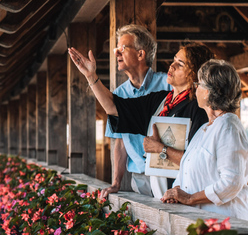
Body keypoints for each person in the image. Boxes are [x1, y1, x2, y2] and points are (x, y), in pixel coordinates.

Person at [69, 42, 214, 198]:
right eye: (174, 60)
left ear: (195, 73)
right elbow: (115, 107)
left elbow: (200, 163)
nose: (171, 66)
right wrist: (91, 77)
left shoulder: (200, 110)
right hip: (160, 195)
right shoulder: (160, 101)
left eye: (180, 64)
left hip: (187, 197)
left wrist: (160, 149)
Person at [70, 24, 170, 196]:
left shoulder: (167, 84)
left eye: (122, 48)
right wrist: (116, 182)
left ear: (140, 54)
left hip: (170, 172)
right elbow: (120, 143)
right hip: (140, 176)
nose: (116, 53)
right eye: (117, 48)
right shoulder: (118, 95)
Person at [160, 60, 248, 220]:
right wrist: (175, 192)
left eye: (199, 84)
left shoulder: (228, 126)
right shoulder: (204, 129)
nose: (195, 87)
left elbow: (231, 182)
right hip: (202, 223)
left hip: (225, 224)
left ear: (211, 91)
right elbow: (186, 174)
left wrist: (190, 198)